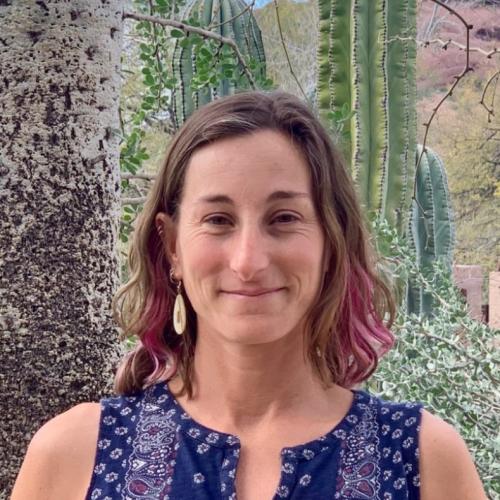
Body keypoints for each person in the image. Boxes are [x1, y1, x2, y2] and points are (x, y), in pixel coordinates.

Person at [12, 90, 486, 500]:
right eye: (218, 220)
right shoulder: (72, 454)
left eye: (284, 218)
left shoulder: (423, 459)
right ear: (172, 246)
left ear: (331, 242)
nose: (248, 261)